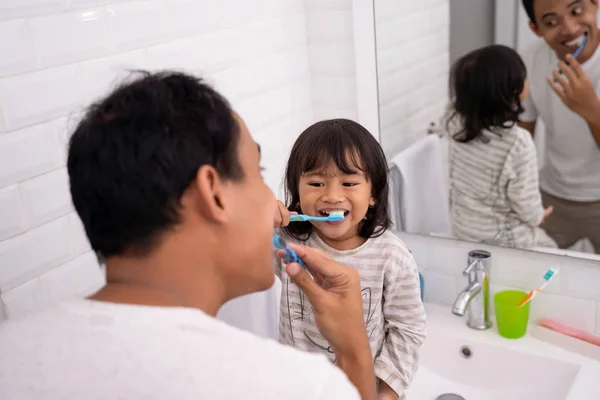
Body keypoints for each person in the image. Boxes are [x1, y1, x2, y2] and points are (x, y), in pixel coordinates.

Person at [0, 72, 379, 400]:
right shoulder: (296, 387)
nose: (272, 202)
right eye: (258, 173)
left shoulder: (9, 354)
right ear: (213, 193)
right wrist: (353, 351)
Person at [273, 119, 426, 400]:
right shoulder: (286, 242)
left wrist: (387, 393)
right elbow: (237, 251)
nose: (332, 195)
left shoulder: (391, 256)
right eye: (316, 183)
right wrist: (257, 217)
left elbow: (408, 330)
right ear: (297, 193)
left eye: (349, 182)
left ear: (372, 194)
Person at [445, 45, 557, 249]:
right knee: (552, 251)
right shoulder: (517, 143)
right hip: (506, 240)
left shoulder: (454, 121)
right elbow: (525, 201)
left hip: (464, 231)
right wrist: (539, 216)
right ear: (514, 91)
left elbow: (457, 103)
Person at [519, 0, 600, 253]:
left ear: (595, 4)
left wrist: (591, 110)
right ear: (536, 28)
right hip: (551, 195)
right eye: (551, 22)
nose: (570, 28)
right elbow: (523, 135)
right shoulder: (531, 58)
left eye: (576, 11)